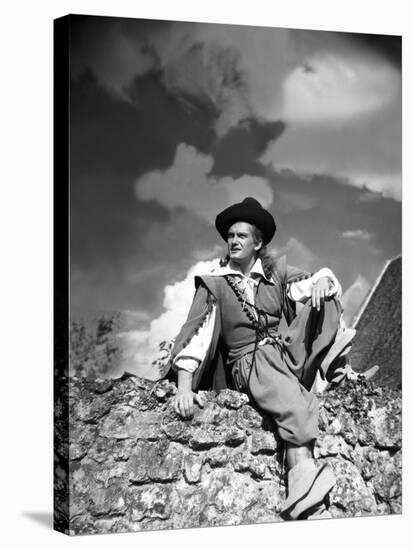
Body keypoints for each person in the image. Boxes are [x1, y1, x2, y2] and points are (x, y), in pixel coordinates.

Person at [165, 197, 378, 520]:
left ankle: (340, 372)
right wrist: (184, 387)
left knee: (326, 294)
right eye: (230, 236)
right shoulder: (215, 283)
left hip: (285, 352)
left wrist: (321, 282)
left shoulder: (276, 273)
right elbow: (196, 336)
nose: (233, 241)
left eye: (241, 236)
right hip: (250, 363)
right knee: (296, 406)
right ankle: (306, 504)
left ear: (258, 242)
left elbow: (314, 283)